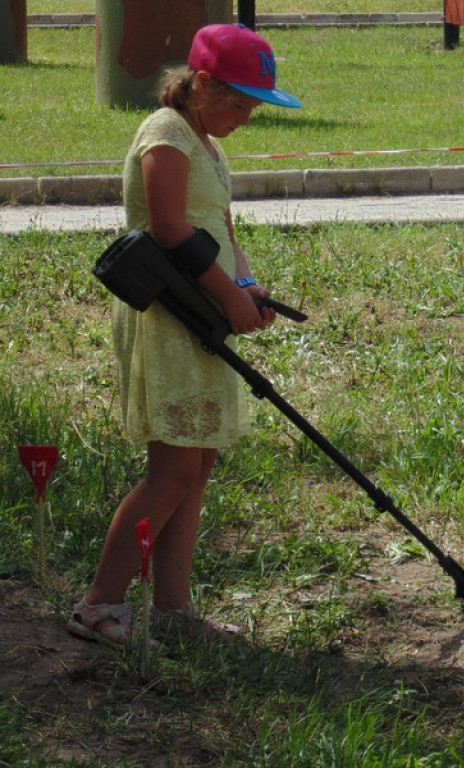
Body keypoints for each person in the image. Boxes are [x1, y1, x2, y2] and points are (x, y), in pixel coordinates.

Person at [68, 24, 302, 645]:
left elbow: (221, 226)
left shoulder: (207, 142)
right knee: (171, 468)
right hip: (170, 316)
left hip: (203, 312)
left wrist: (246, 284)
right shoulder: (165, 134)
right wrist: (227, 297)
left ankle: (174, 612)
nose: (244, 118)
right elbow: (171, 229)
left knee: (197, 466)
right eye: (237, 103)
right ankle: (98, 605)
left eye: (252, 108)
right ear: (200, 84)